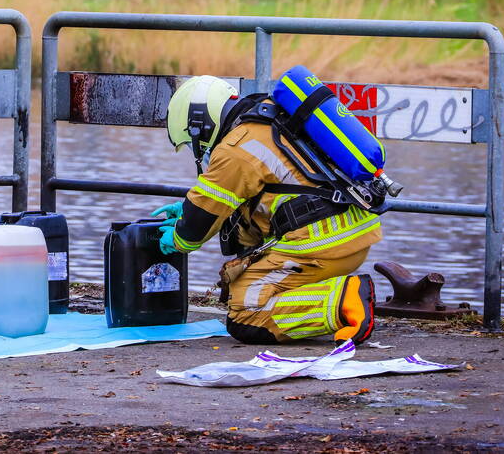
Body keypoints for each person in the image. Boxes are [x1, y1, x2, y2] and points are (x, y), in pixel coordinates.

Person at [152, 75, 380, 346]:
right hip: (351, 232)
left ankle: (344, 302)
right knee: (243, 284)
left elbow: (196, 226)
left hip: (320, 244)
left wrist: (179, 236)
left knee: (245, 313)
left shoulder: (235, 148)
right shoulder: (268, 119)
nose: (196, 149)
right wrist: (186, 209)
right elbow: (236, 205)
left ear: (198, 125)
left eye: (191, 142)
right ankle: (332, 292)